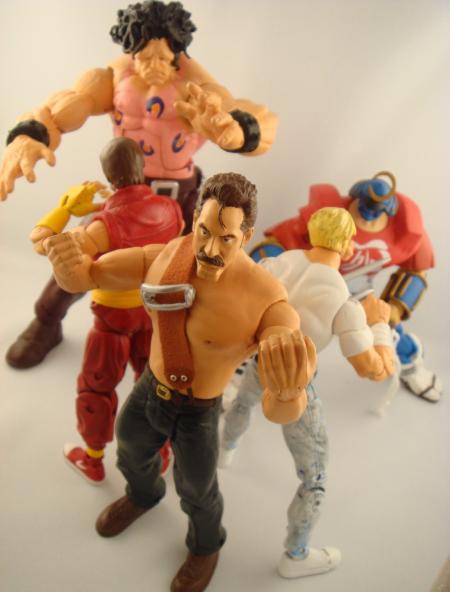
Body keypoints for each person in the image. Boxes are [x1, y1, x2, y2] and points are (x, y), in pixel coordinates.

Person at [44, 172, 316, 592]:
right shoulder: (167, 256)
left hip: (198, 412)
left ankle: (206, 545)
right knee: (130, 450)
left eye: (226, 238)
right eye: (204, 231)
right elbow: (88, 276)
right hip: (150, 389)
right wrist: (67, 265)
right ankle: (144, 494)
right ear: (194, 218)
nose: (210, 248)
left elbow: (282, 406)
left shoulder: (266, 299)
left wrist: (288, 389)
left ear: (246, 236)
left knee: (196, 489)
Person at [3, 0, 277, 369]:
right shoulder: (113, 77)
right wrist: (30, 134)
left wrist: (238, 132)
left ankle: (195, 342)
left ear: (178, 50)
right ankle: (46, 321)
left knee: (194, 269)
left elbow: (251, 120)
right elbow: (65, 106)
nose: (153, 65)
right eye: (144, 56)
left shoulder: (198, 85)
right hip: (128, 189)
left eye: (163, 56)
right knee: (81, 253)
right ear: (130, 49)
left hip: (181, 195)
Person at [220, 207, 395, 579]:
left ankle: (226, 450)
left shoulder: (277, 264)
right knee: (314, 478)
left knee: (243, 402)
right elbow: (373, 369)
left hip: (261, 361)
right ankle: (296, 555)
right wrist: (379, 326)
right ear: (347, 245)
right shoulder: (344, 302)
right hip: (297, 383)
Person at [35, 137, 182, 482]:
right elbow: (148, 228)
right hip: (153, 314)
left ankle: (93, 459)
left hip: (113, 320)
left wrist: (65, 209)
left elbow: (44, 243)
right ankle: (160, 449)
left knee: (97, 388)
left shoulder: (102, 226)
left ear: (109, 176)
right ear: (142, 167)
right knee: (156, 385)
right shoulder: (170, 209)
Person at [251, 172, 441, 402]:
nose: (367, 216)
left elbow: (416, 270)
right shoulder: (331, 217)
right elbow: (274, 245)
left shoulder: (400, 232)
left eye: (375, 212)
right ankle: (240, 367)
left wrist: (392, 311)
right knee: (256, 325)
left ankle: (410, 365)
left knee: (392, 331)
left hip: (357, 291)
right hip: (309, 286)